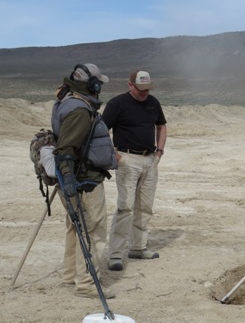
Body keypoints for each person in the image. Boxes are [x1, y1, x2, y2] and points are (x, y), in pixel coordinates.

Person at [52, 63, 118, 298]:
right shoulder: (80, 110)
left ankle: (71, 275)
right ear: (93, 84)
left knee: (74, 227)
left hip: (75, 178)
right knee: (94, 230)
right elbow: (66, 148)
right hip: (84, 180)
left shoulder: (67, 100)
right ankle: (88, 283)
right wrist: (69, 179)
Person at [102, 70, 167, 271]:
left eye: (147, 90)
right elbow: (101, 131)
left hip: (149, 160)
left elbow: (162, 126)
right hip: (127, 160)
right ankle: (115, 254)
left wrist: (159, 152)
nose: (144, 94)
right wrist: (114, 154)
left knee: (144, 207)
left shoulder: (153, 102)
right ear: (130, 85)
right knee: (126, 207)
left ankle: (138, 248)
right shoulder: (117, 104)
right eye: (141, 90)